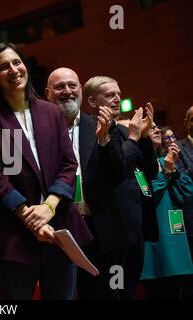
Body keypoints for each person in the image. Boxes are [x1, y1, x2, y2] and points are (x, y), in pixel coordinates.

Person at [0, 43, 92, 300]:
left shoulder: (51, 112)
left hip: (59, 229)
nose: (13, 70)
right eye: (4, 66)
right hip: (14, 233)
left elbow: (69, 164)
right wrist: (29, 217)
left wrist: (49, 205)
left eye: (17, 62)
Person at [45, 68, 125, 299]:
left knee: (103, 295)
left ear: (80, 90)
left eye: (72, 86)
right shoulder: (39, 131)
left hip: (99, 228)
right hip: (59, 230)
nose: (67, 91)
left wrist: (104, 140)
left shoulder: (103, 125)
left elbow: (118, 174)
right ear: (47, 93)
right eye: (60, 87)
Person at [83, 75, 159, 299]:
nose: (117, 98)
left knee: (128, 291)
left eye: (118, 93)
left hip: (135, 228)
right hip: (111, 233)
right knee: (113, 292)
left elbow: (150, 173)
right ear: (92, 102)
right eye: (109, 95)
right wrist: (135, 138)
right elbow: (114, 171)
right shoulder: (91, 134)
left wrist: (143, 138)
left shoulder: (126, 132)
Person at [141, 122, 193, 299]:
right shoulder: (138, 164)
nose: (156, 129)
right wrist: (165, 175)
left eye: (157, 127)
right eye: (150, 127)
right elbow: (145, 196)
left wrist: (173, 171)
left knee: (175, 291)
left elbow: (187, 194)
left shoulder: (167, 160)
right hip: (155, 236)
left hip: (175, 234)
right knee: (155, 292)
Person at [176, 105, 193, 299]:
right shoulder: (178, 147)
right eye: (192, 118)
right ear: (187, 123)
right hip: (189, 217)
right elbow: (181, 178)